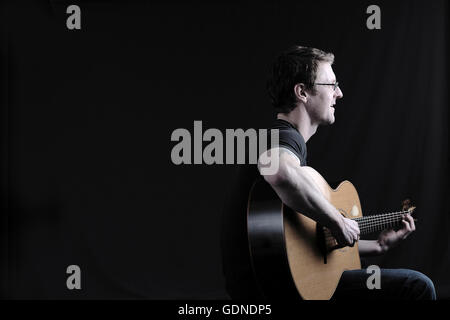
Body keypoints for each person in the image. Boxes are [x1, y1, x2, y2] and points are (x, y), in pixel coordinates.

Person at [220, 45, 436, 300]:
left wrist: (378, 245)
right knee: (416, 286)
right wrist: (336, 218)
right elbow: (278, 172)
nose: (340, 93)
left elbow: (307, 245)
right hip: (271, 290)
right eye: (331, 85)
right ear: (302, 92)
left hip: (272, 284)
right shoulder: (283, 137)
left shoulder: (285, 143)